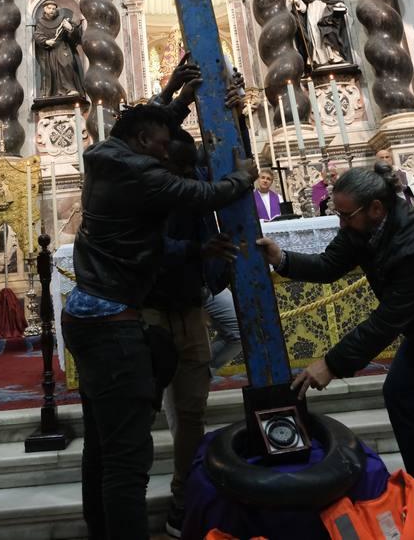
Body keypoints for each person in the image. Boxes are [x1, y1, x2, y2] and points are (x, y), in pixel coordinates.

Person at [61, 102, 257, 540]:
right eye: (164, 145)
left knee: (102, 447)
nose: (169, 155)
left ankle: (101, 531)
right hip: (113, 323)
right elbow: (204, 195)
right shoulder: (141, 173)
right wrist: (244, 175)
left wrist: (175, 95)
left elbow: (143, 124)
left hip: (89, 313)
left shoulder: (108, 156)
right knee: (128, 460)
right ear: (145, 141)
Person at [258, 164, 414, 530]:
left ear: (376, 209)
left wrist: (331, 364)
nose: (339, 222)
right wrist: (281, 259)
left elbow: (387, 321)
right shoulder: (361, 227)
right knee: (402, 398)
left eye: (344, 214)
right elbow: (327, 264)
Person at [141, 128, 237, 538]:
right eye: (177, 164)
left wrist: (236, 117)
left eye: (189, 165)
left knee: (193, 406)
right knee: (150, 406)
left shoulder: (192, 178)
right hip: (151, 304)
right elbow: (151, 245)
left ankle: (184, 494)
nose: (185, 172)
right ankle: (134, 497)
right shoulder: (143, 190)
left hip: (191, 300)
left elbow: (226, 168)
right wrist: (198, 252)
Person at [291, 0, 349, 68]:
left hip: (324, 13)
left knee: (327, 31)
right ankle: (319, 59)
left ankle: (332, 56)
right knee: (316, 35)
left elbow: (329, 1)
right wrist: (297, 2)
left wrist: (337, 4)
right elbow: (303, 9)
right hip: (312, 14)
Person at [34, 2, 86, 100]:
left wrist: (70, 28)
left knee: (67, 64)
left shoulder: (62, 19)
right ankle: (55, 92)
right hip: (49, 52)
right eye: (49, 8)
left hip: (63, 47)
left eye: (54, 9)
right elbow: (37, 35)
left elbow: (76, 34)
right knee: (52, 70)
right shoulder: (40, 23)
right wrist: (46, 41)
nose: (52, 11)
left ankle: (70, 88)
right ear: (44, 9)